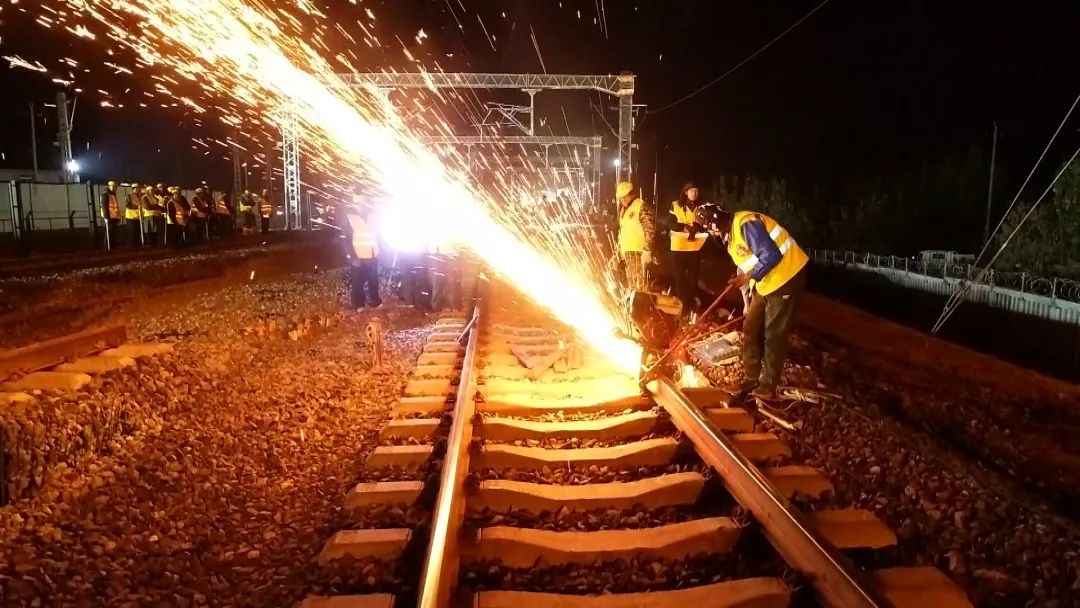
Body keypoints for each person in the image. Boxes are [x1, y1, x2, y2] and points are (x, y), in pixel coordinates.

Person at [695, 204, 808, 401]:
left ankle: (768, 385)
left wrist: (747, 277)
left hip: (786, 278)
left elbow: (771, 255)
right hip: (765, 282)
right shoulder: (729, 236)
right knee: (751, 329)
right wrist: (746, 291)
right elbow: (748, 262)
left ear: (714, 223)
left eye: (707, 228)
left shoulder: (746, 224)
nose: (709, 233)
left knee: (774, 334)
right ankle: (751, 378)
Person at [668, 182, 709, 316]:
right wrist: (684, 227)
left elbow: (706, 224)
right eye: (692, 191)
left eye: (696, 191)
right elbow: (670, 222)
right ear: (686, 192)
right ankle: (680, 309)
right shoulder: (676, 205)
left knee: (692, 281)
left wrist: (698, 228)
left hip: (694, 249)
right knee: (679, 280)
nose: (694, 193)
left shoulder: (702, 207)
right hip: (679, 248)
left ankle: (690, 309)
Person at [616, 180, 655, 291]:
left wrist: (648, 250)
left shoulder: (641, 206)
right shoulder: (624, 210)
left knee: (639, 285)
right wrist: (621, 250)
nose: (623, 200)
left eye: (625, 197)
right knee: (632, 285)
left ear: (632, 194)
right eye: (621, 198)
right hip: (628, 252)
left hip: (639, 252)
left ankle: (643, 307)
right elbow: (623, 231)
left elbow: (650, 229)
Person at [342, 203, 381, 309]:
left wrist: (378, 251)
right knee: (357, 283)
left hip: (372, 256)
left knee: (373, 281)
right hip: (358, 258)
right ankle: (359, 304)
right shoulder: (350, 218)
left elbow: (378, 235)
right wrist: (352, 257)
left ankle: (375, 302)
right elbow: (345, 240)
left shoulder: (373, 217)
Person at [99, 181, 123, 250]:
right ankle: (107, 247)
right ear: (109, 186)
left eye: (115, 186)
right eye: (112, 186)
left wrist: (118, 216)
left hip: (114, 217)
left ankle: (112, 246)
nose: (114, 188)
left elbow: (115, 207)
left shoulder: (113, 195)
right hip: (109, 217)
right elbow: (104, 207)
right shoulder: (105, 195)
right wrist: (106, 217)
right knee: (109, 233)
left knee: (113, 233)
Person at [124, 182, 144, 247]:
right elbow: (128, 205)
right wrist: (136, 207)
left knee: (138, 232)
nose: (137, 189)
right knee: (132, 232)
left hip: (138, 217)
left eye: (138, 188)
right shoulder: (129, 195)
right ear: (133, 188)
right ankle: (131, 246)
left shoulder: (140, 196)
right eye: (136, 188)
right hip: (130, 217)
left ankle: (138, 245)